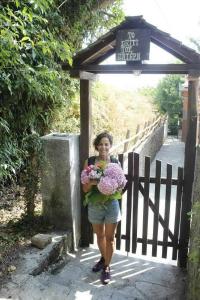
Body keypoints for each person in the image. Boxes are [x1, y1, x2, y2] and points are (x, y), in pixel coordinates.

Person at [82, 131, 121, 285]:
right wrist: (92, 180)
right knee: (100, 236)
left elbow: (120, 186)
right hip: (95, 205)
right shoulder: (90, 162)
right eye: (101, 144)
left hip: (111, 205)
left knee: (110, 238)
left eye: (107, 144)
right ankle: (104, 258)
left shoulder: (115, 163)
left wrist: (111, 187)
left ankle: (106, 267)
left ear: (110, 146)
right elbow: (85, 189)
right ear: (97, 146)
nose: (104, 147)